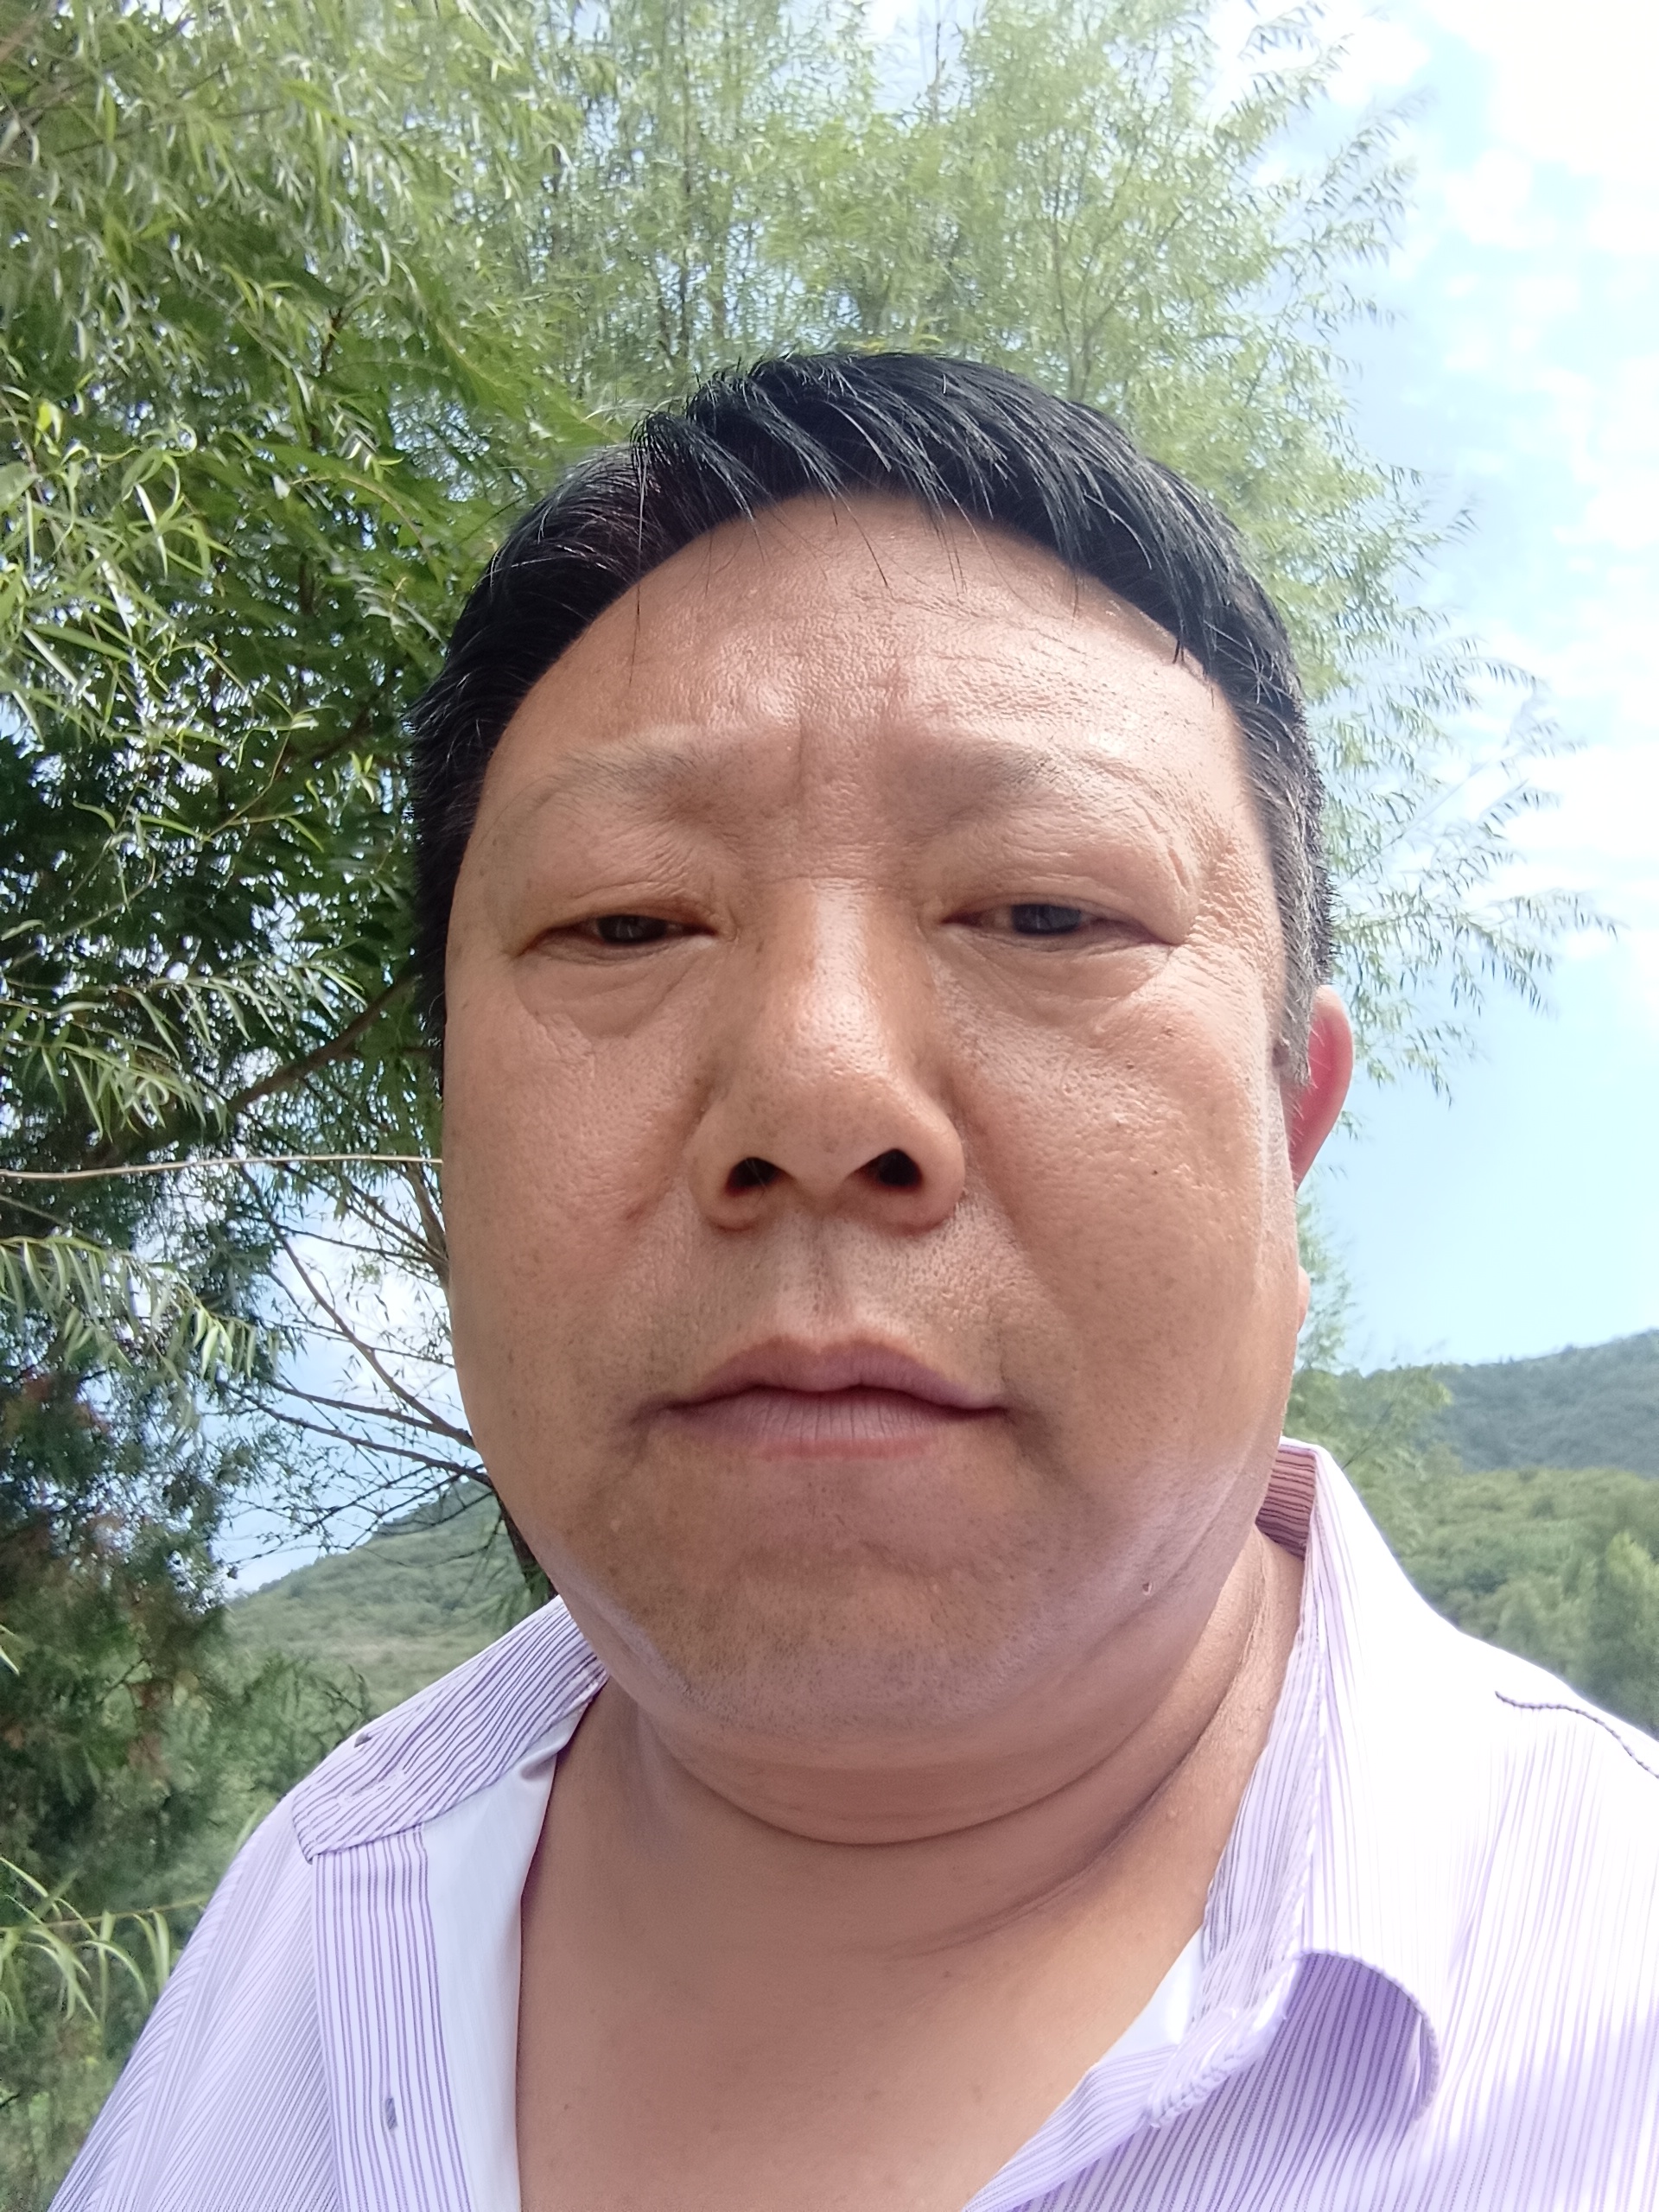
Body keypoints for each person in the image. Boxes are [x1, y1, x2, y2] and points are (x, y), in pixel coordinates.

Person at [55, 353, 1658, 2212]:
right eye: (626, 921)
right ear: (449, 1144)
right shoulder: (301, 1919)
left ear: (1288, 1130)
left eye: (1046, 910)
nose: (817, 1090)